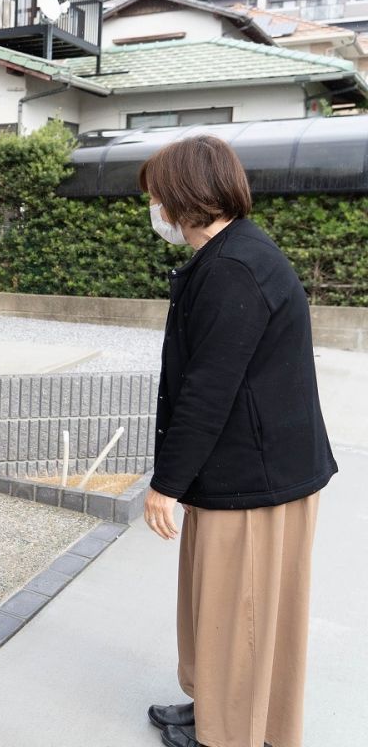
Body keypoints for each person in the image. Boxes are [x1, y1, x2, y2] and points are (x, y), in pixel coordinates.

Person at [139, 136, 337, 747]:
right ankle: (214, 710)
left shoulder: (233, 269)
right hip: (248, 466)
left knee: (242, 615)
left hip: (256, 477)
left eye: (156, 197)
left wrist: (164, 486)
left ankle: (231, 735)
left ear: (183, 198)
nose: (152, 208)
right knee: (222, 609)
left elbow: (208, 390)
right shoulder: (232, 254)